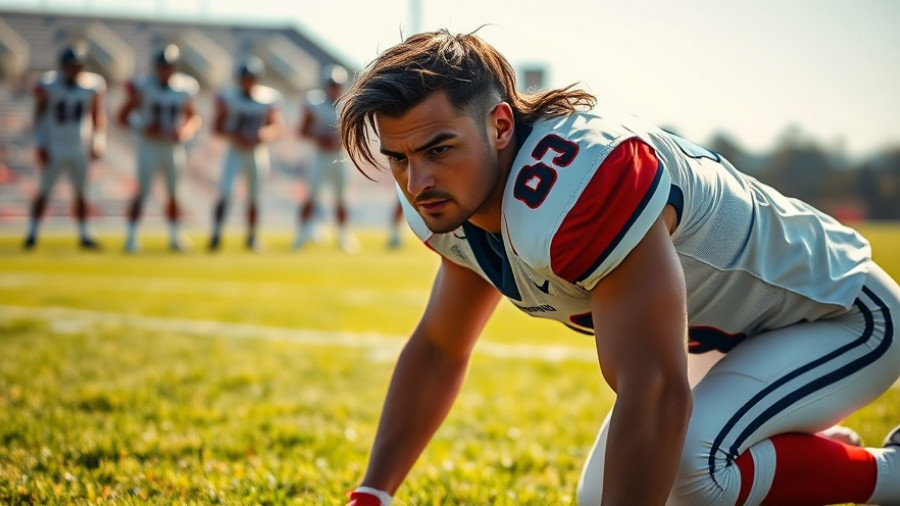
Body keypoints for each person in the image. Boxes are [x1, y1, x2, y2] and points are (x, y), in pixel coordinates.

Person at [337, 29, 900, 506]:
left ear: (502, 125)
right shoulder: (457, 200)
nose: (417, 183)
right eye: (399, 158)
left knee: (682, 473)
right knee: (606, 490)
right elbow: (439, 348)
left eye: (439, 149)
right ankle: (797, 446)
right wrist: (373, 494)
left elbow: (654, 387)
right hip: (734, 336)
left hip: (840, 314)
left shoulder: (579, 182)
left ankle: (887, 473)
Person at [118, 44, 202, 253]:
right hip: (150, 145)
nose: (165, 70)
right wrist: (143, 127)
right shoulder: (143, 86)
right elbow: (122, 116)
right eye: (162, 66)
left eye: (169, 66)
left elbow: (193, 117)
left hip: (173, 146)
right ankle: (132, 236)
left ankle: (175, 236)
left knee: (174, 193)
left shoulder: (184, 86)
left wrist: (184, 131)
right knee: (142, 192)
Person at [24, 44, 107, 250]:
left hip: (79, 146)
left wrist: (98, 141)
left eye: (78, 65)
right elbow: (39, 115)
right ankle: (32, 233)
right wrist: (40, 144)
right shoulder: (49, 84)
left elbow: (97, 116)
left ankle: (84, 234)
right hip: (54, 146)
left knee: (82, 193)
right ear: (63, 66)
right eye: (71, 65)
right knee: (44, 191)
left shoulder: (92, 85)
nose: (75, 70)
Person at [208, 56, 283, 252]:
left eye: (251, 77)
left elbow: (276, 127)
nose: (248, 81)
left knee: (255, 197)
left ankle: (251, 236)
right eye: (245, 77)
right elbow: (216, 127)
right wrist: (236, 136)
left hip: (256, 151)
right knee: (225, 193)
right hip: (235, 150)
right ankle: (216, 234)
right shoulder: (228, 97)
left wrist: (262, 134)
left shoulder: (267, 98)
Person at [292, 64, 359, 253]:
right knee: (311, 196)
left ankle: (343, 235)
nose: (334, 87)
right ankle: (301, 234)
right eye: (331, 83)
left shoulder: (347, 105)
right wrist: (319, 138)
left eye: (337, 84)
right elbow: (303, 130)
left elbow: (354, 134)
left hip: (340, 155)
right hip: (320, 155)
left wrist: (343, 142)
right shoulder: (315, 103)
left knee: (342, 198)